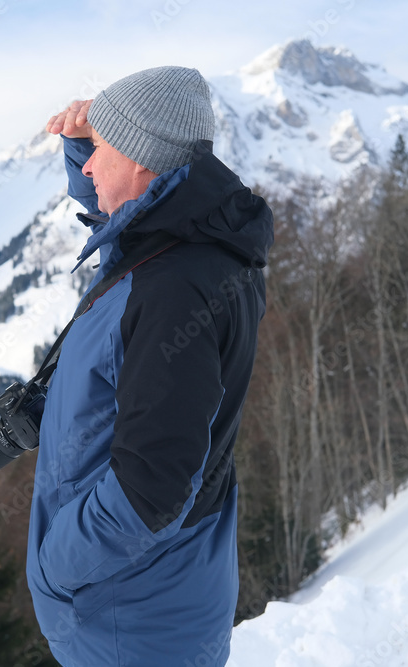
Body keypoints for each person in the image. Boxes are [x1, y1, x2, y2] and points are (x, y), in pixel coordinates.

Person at [27, 65, 274, 667]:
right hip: (160, 597)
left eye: (101, 153)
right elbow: (131, 222)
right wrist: (90, 138)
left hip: (129, 616)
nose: (86, 170)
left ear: (142, 163)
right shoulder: (193, 246)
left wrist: (57, 567)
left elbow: (150, 490)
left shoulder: (171, 294)